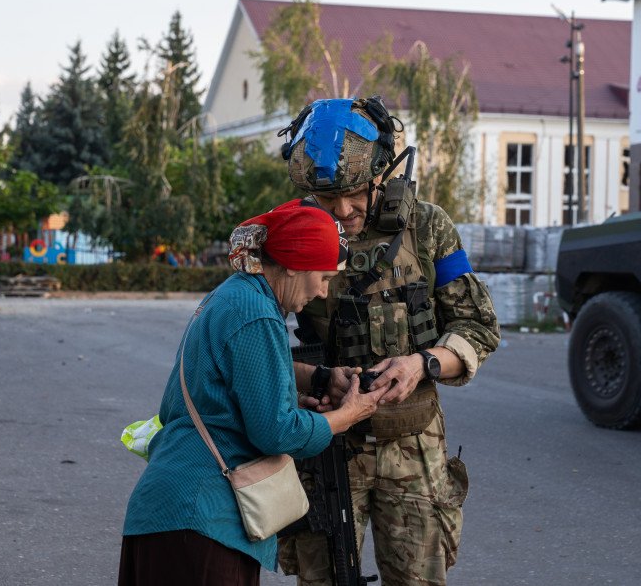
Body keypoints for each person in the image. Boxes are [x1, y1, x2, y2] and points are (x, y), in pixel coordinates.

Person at [278, 96, 501, 585]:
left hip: (415, 451)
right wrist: (316, 377)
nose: (343, 209)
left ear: (383, 172)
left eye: (355, 192)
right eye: (328, 198)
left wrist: (422, 364)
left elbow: (478, 327)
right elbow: (258, 343)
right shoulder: (292, 234)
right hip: (328, 447)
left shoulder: (427, 227)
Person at [118, 200, 388, 586]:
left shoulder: (234, 295)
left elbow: (236, 371)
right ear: (295, 264)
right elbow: (277, 433)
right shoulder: (257, 312)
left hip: (171, 513)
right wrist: (348, 415)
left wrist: (317, 379)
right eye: (324, 277)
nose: (323, 291)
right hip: (201, 520)